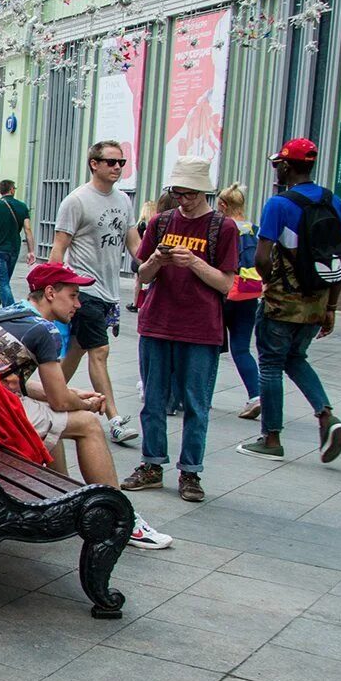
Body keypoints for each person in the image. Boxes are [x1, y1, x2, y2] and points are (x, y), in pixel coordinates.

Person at [0, 263, 174, 548]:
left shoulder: (10, 313)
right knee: (88, 424)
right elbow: (58, 398)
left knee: (58, 416)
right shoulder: (44, 330)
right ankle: (121, 517)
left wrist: (76, 396)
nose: (78, 304)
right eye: (72, 295)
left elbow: (23, 386)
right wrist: (83, 403)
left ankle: (61, 501)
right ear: (49, 293)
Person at [118, 157, 237, 503]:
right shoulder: (161, 221)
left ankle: (190, 471)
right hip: (157, 322)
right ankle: (152, 464)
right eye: (176, 193)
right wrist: (156, 259)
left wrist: (195, 262)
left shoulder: (222, 228)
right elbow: (142, 275)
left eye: (188, 195)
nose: (182, 201)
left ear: (203, 193)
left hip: (201, 328)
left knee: (196, 404)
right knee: (152, 400)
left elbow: (226, 284)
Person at [237, 138, 341, 463]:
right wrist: (331, 306)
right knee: (295, 357)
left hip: (284, 300)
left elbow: (261, 256)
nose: (277, 169)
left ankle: (271, 438)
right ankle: (326, 414)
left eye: (278, 164)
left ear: (287, 165)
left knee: (271, 364)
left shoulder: (279, 204)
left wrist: (272, 281)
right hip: (319, 296)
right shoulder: (333, 201)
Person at [49, 141, 141, 445]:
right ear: (94, 164)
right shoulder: (77, 200)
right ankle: (114, 418)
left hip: (109, 292)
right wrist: (53, 289)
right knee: (99, 352)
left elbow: (134, 244)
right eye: (111, 162)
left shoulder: (123, 201)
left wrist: (154, 264)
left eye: (121, 163)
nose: (117, 168)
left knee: (77, 349)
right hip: (85, 290)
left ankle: (50, 395)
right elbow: (59, 247)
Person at [217, 183, 263, 419]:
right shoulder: (256, 230)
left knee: (210, 346)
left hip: (224, 292)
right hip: (249, 295)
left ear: (223, 205)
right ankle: (255, 395)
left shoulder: (224, 228)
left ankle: (198, 395)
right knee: (242, 348)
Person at [0, 178, 35, 314]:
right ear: (12, 190)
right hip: (14, 248)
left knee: (2, 283)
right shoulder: (22, 206)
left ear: (0, 190)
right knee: (4, 281)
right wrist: (31, 251)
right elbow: (27, 229)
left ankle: (12, 312)